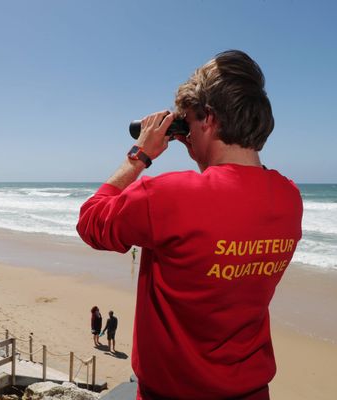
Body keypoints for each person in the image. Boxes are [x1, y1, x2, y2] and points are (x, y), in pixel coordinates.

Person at [77, 50, 303, 400]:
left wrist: (140, 155)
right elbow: (228, 197)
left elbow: (91, 221)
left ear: (208, 119)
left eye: (189, 121)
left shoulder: (166, 196)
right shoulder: (289, 197)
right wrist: (202, 149)